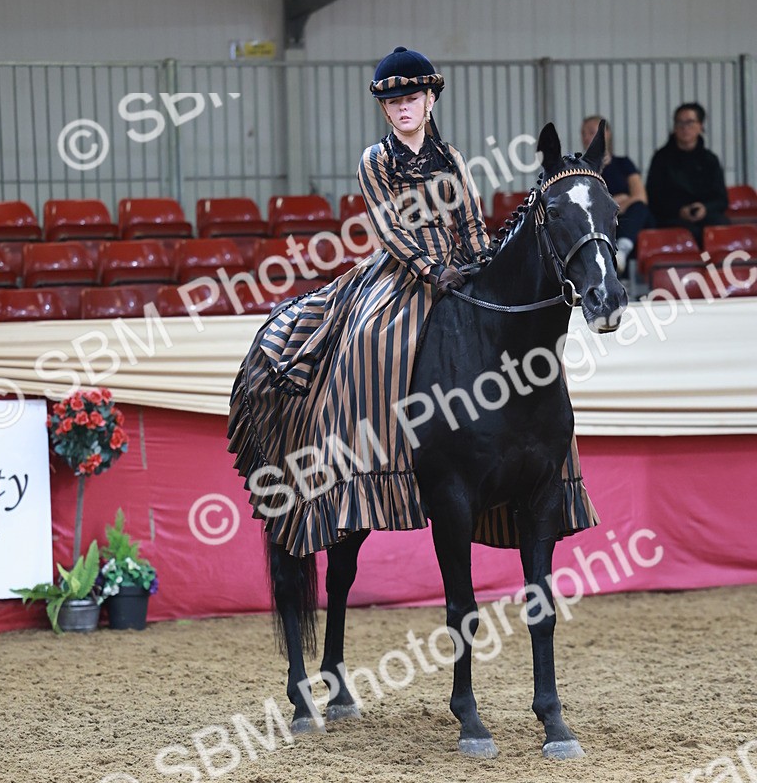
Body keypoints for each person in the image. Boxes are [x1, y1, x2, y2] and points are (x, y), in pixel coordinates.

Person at [228, 45, 597, 557]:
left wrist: (480, 266)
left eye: (412, 97)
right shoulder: (376, 160)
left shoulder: (453, 159)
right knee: (376, 338)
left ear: (429, 101)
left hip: (460, 266)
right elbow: (387, 226)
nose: (403, 107)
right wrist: (430, 270)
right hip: (404, 272)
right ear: (386, 108)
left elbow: (470, 219)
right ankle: (377, 463)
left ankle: (550, 468)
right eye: (394, 101)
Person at [646, 103, 729, 245]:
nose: (684, 127)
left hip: (706, 215)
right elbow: (654, 196)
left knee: (720, 226)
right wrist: (679, 210)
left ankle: (719, 267)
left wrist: (705, 208)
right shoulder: (661, 158)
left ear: (700, 126)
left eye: (690, 122)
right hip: (671, 217)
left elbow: (721, 198)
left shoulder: (710, 160)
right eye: (679, 122)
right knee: (688, 232)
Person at [580, 115, 653, 274]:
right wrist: (618, 201)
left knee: (640, 209)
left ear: (607, 134)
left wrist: (615, 204)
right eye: (583, 133)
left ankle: (623, 251)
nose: (586, 138)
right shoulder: (579, 169)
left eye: (591, 132)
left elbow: (641, 197)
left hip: (624, 221)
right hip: (597, 223)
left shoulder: (623, 163)